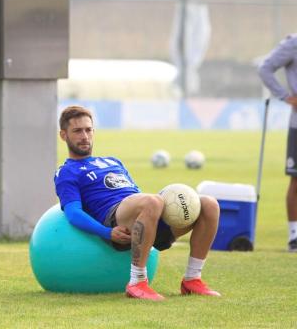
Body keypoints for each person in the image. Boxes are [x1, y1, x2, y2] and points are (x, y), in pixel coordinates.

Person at [54, 106, 221, 301]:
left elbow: (135, 193)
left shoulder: (113, 161)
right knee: (152, 200)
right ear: (63, 135)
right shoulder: (67, 172)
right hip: (115, 221)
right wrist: (106, 232)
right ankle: (137, 282)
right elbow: (73, 213)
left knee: (209, 204)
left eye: (88, 129)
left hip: (145, 217)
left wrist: (154, 211)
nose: (84, 136)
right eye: (77, 131)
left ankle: (192, 280)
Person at [258, 33, 297, 252]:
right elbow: (265, 68)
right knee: (296, 180)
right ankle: (294, 236)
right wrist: (285, 96)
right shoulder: (293, 43)